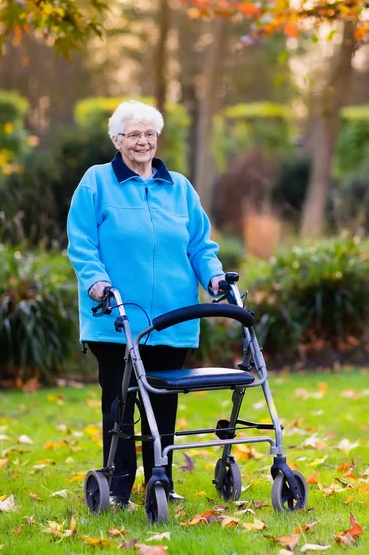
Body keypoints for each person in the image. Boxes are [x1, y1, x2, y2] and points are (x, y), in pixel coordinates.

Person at [67, 100, 224, 508]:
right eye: (133, 134)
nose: (143, 141)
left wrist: (215, 277)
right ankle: (117, 488)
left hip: (173, 318)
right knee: (120, 404)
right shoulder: (97, 182)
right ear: (117, 140)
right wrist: (96, 281)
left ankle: (161, 479)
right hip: (116, 317)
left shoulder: (180, 188)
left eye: (149, 133)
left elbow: (200, 246)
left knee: (164, 400)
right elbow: (82, 242)